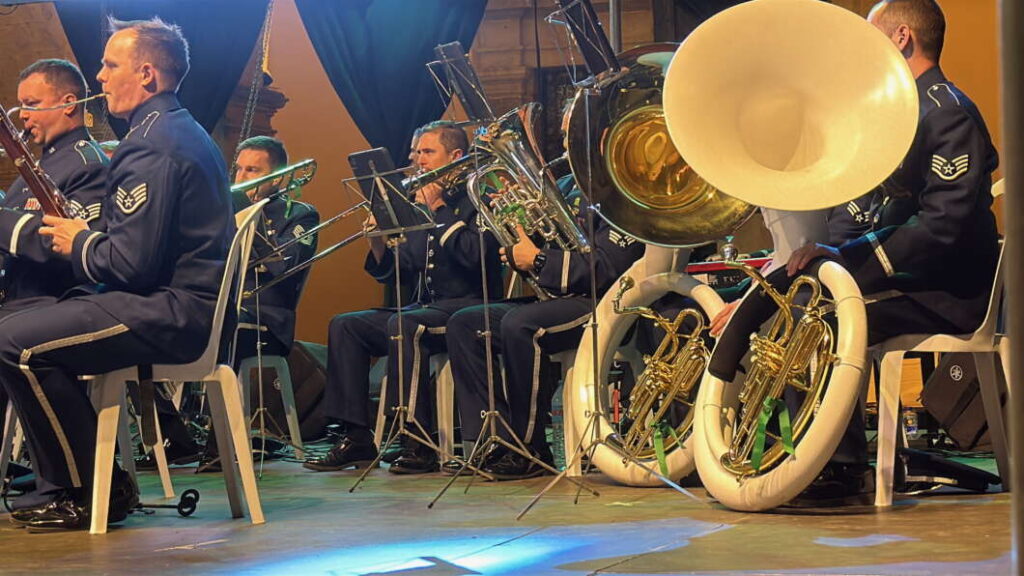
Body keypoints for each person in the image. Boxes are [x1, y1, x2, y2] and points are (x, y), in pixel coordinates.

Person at [708, 0, 999, 506]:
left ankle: (833, 467)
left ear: (902, 37)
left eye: (873, 35)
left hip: (947, 292)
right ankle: (788, 453)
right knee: (804, 300)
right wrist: (834, 254)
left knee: (820, 312)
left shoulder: (946, 111)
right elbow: (883, 213)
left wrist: (849, 261)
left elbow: (943, 225)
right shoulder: (902, 113)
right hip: (911, 281)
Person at [0, 17, 233, 530]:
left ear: (146, 74)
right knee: (23, 326)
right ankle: (89, 480)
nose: (100, 77)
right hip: (167, 302)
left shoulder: (152, 144)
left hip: (172, 311)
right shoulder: (169, 130)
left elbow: (132, 265)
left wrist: (78, 239)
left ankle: (87, 489)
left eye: (109, 65)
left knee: (16, 343)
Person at [303, 120, 502, 474]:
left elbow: (475, 256)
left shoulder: (478, 199)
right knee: (345, 326)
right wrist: (378, 241)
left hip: (468, 309)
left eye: (427, 152)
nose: (417, 160)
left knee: (404, 323)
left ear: (455, 156)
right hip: (422, 309)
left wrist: (439, 208)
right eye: (415, 153)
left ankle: (417, 441)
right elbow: (403, 271)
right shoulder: (417, 206)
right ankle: (356, 436)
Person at [445, 151, 645, 480]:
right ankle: (494, 439)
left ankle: (530, 448)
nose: (567, 146)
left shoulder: (625, 195)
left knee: (520, 325)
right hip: (561, 298)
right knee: (466, 323)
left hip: (603, 303)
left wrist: (538, 259)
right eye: (566, 136)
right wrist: (518, 226)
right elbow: (543, 252)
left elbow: (608, 270)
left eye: (573, 135)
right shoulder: (564, 187)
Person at [145, 135, 319, 472]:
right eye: (238, 169)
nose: (241, 177)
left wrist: (249, 218)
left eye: (253, 171)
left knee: (229, 322)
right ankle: (174, 436)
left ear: (278, 178)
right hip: (219, 307)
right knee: (149, 321)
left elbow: (285, 267)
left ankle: (221, 445)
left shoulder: (300, 214)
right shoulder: (219, 214)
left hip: (267, 317)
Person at [0, 58, 108, 500]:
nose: (22, 116)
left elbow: (60, 246)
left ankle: (72, 482)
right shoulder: (36, 166)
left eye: (31, 104)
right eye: (20, 105)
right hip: (21, 295)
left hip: (53, 298)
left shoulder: (88, 164)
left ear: (68, 104)